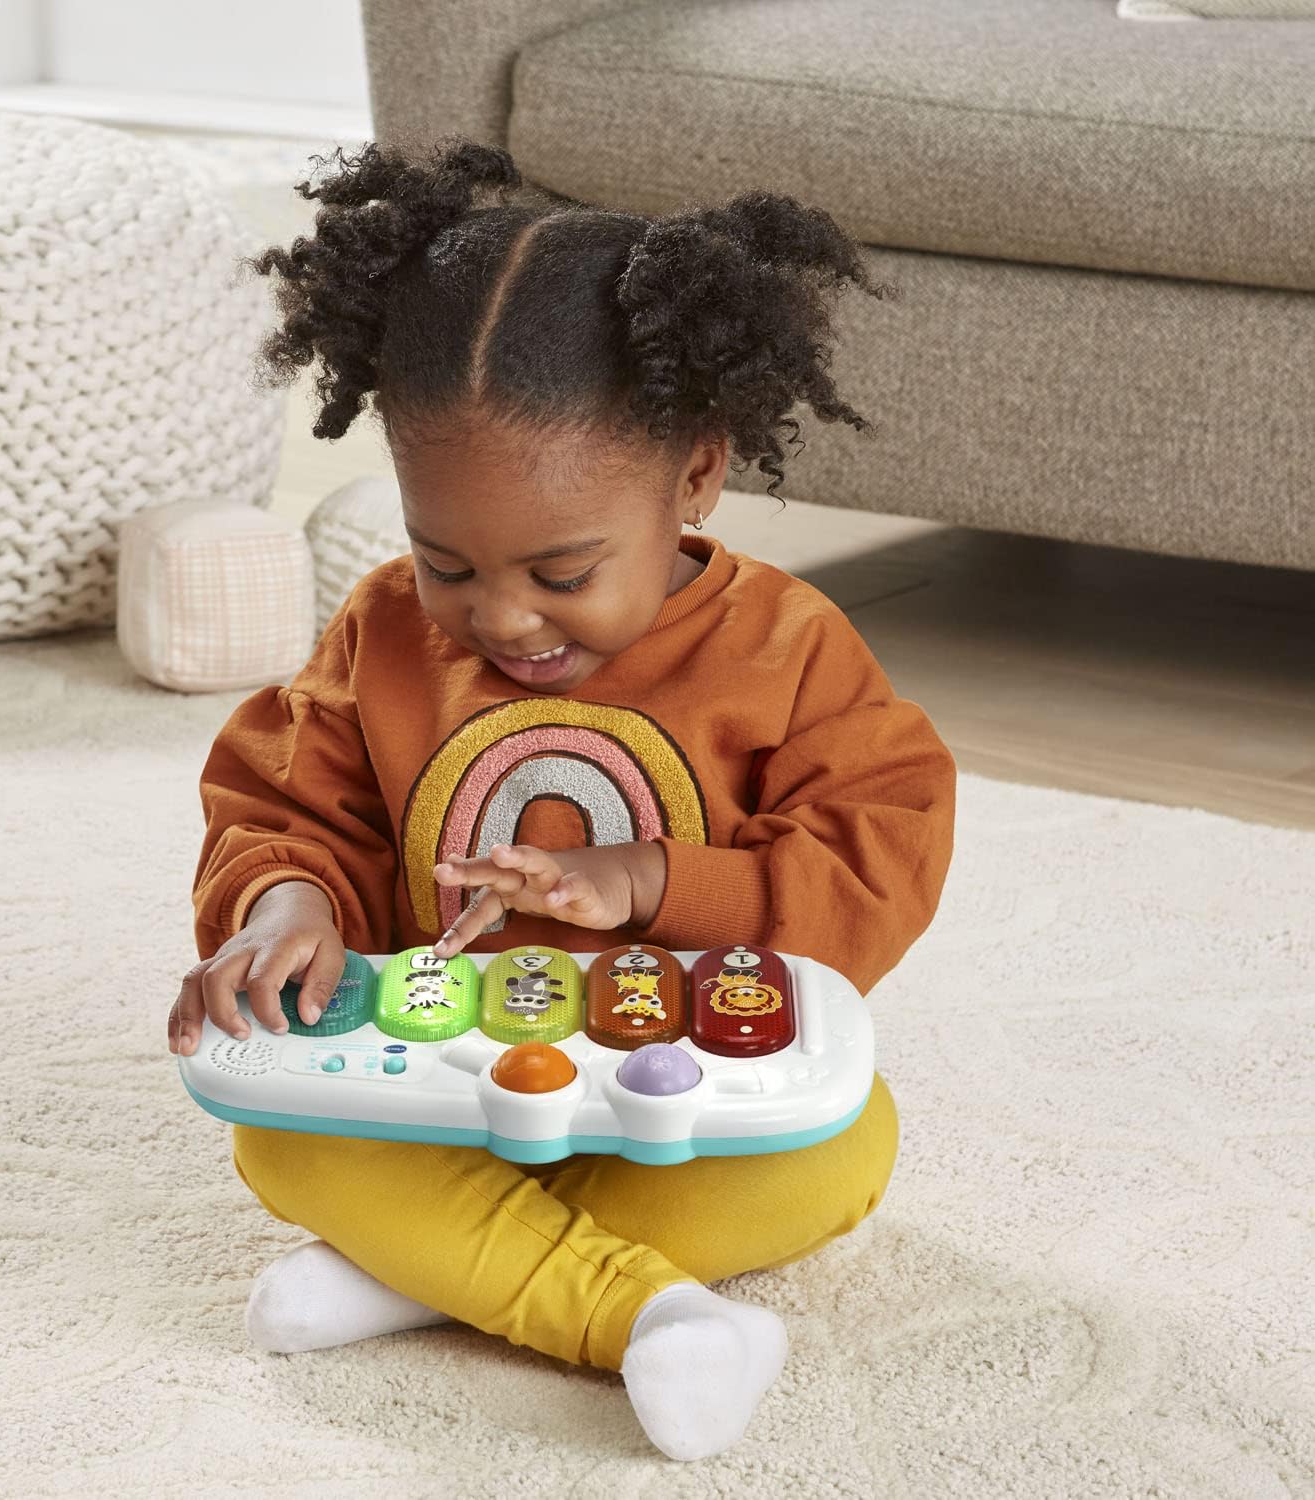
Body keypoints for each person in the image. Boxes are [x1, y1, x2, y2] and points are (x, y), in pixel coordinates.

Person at [169, 138, 956, 1462]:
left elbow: (879, 847)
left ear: (695, 475)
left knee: (840, 1150)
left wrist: (654, 882)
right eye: (446, 563)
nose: (504, 616)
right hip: (440, 1073)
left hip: (673, 1092)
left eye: (563, 568)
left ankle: (438, 1273)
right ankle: (631, 1309)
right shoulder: (379, 637)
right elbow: (287, 803)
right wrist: (284, 911)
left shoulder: (788, 648)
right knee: (278, 1141)